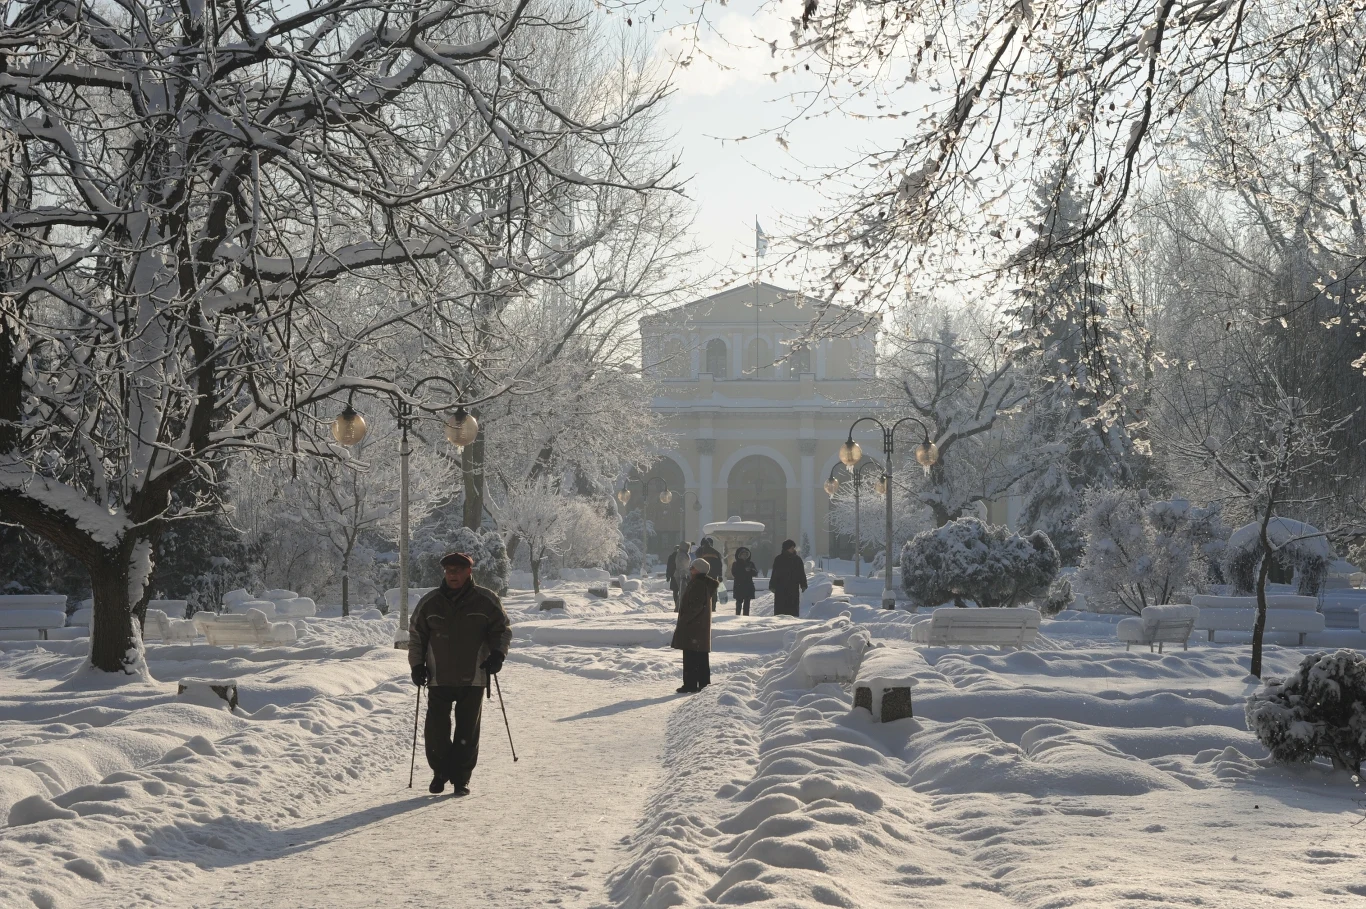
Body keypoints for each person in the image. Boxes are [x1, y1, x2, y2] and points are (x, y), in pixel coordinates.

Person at [408, 551, 511, 796]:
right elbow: (416, 636)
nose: (452, 575)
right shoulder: (430, 602)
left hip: (473, 676)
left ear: (469, 572)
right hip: (438, 676)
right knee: (436, 730)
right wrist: (416, 665)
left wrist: (498, 655)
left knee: (467, 730)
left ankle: (461, 778)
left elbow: (502, 630)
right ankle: (440, 772)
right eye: (448, 570)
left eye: (457, 570)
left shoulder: (486, 600)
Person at [672, 559, 718, 693]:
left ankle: (690, 684)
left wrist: (685, 620)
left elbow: (695, 606)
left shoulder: (698, 584)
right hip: (699, 626)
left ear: (698, 569)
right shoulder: (703, 583)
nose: (690, 569)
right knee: (700, 657)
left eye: (692, 567)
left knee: (691, 656)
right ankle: (703, 683)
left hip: (693, 626)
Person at [770, 538, 807, 617]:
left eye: (793, 548)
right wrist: (772, 585)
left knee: (792, 608)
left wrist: (803, 584)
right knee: (781, 608)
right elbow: (774, 574)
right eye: (791, 548)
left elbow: (801, 573)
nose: (793, 549)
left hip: (793, 587)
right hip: (781, 587)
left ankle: (792, 622)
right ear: (786, 548)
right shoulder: (779, 559)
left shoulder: (797, 560)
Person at [695, 537, 723, 611]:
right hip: (713, 575)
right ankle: (712, 606)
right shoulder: (716, 552)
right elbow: (719, 565)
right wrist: (720, 575)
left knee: (703, 591)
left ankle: (704, 606)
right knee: (713, 590)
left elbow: (697, 563)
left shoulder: (700, 551)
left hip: (703, 574)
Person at [731, 546, 759, 616]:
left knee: (747, 602)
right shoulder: (735, 564)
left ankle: (746, 616)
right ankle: (737, 615)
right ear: (739, 555)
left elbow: (755, 573)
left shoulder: (750, 563)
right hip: (739, 585)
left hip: (748, 585)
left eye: (746, 554)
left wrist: (750, 571)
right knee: (739, 602)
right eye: (743, 554)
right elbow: (734, 573)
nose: (745, 556)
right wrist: (744, 571)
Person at [665, 540, 691, 611]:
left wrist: (668, 575)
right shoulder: (681, 555)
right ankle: (679, 607)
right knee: (682, 591)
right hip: (680, 575)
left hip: (678, 574)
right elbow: (682, 566)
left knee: (678, 591)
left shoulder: (681, 554)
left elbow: (669, 566)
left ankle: (679, 605)